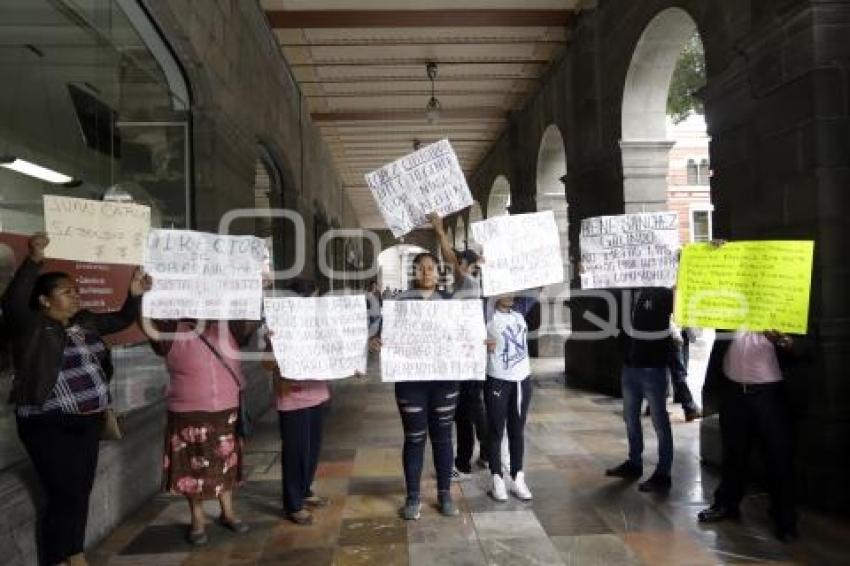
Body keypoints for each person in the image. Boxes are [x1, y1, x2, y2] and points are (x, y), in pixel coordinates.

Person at [2, 233, 149, 566]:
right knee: (63, 494)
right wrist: (34, 259)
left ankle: (75, 552)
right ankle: (58, 557)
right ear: (43, 300)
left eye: (76, 291)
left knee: (80, 490)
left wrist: (134, 295)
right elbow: (12, 303)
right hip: (47, 423)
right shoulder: (30, 328)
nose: (75, 296)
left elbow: (122, 319)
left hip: (88, 420)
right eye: (66, 292)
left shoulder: (85, 322)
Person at [141, 316, 257, 545]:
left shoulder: (228, 324)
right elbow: (147, 327)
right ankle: (197, 518)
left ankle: (228, 512)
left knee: (227, 463)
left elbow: (250, 321)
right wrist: (138, 298)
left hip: (226, 407)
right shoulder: (172, 327)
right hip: (188, 411)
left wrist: (257, 290)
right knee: (192, 468)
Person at [369, 251, 460, 520]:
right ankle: (413, 497)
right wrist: (376, 341)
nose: (426, 273)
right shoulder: (398, 303)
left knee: (443, 438)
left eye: (431, 268)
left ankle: (445, 494)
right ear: (414, 272)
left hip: (444, 382)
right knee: (414, 438)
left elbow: (463, 332)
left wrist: (478, 342)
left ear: (437, 271)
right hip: (411, 383)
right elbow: (381, 332)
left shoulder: (450, 302)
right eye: (420, 269)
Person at [697, 328, 808, 542]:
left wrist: (783, 340)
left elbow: (806, 347)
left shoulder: (786, 306)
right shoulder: (732, 308)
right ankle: (726, 504)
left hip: (770, 395)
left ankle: (784, 518)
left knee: (778, 456)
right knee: (733, 451)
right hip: (734, 392)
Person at [262, 279, 330, 525]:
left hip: (317, 394)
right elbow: (266, 364)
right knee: (295, 451)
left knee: (312, 449)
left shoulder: (320, 325)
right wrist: (273, 344)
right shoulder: (280, 327)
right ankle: (293, 503)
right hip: (292, 397)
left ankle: (305, 489)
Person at [429, 213, 488, 480]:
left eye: (460, 263)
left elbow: (450, 258)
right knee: (472, 409)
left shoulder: (469, 282)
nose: (454, 266)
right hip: (467, 356)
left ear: (466, 265)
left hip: (466, 358)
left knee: (465, 412)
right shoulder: (466, 286)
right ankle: (485, 453)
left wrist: (440, 231)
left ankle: (464, 462)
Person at [605, 287, 676, 493]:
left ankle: (663, 473)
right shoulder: (624, 291)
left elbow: (681, 306)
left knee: (659, 421)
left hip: (653, 365)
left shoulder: (662, 292)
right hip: (630, 365)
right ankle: (634, 463)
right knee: (630, 417)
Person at [484, 293, 533, 502]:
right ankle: (497, 477)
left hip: (521, 379)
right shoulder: (486, 314)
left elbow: (539, 282)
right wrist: (481, 342)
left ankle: (517, 475)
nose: (510, 294)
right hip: (498, 379)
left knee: (516, 430)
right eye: (505, 290)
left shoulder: (519, 311)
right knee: (495, 429)